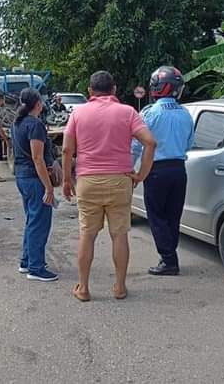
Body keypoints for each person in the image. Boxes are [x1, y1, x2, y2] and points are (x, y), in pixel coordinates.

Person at [62, 71, 156, 302]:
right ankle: (120, 287)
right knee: (119, 234)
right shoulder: (127, 112)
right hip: (120, 180)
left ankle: (83, 288)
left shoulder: (78, 113)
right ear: (114, 89)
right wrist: (141, 175)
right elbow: (150, 142)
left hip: (87, 180)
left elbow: (66, 150)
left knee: (87, 233)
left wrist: (66, 180)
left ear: (89, 91)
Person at [132, 66, 194, 276]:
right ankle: (169, 255)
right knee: (173, 215)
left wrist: (132, 170)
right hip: (179, 170)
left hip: (156, 170)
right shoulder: (186, 114)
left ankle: (168, 260)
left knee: (157, 216)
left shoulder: (149, 113)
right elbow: (189, 143)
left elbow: (136, 146)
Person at [13, 87, 59, 282]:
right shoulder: (35, 125)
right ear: (38, 104)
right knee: (39, 222)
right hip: (34, 178)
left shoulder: (18, 123)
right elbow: (37, 158)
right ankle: (36, 267)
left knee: (32, 220)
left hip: (23, 176)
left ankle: (27, 260)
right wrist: (48, 187)